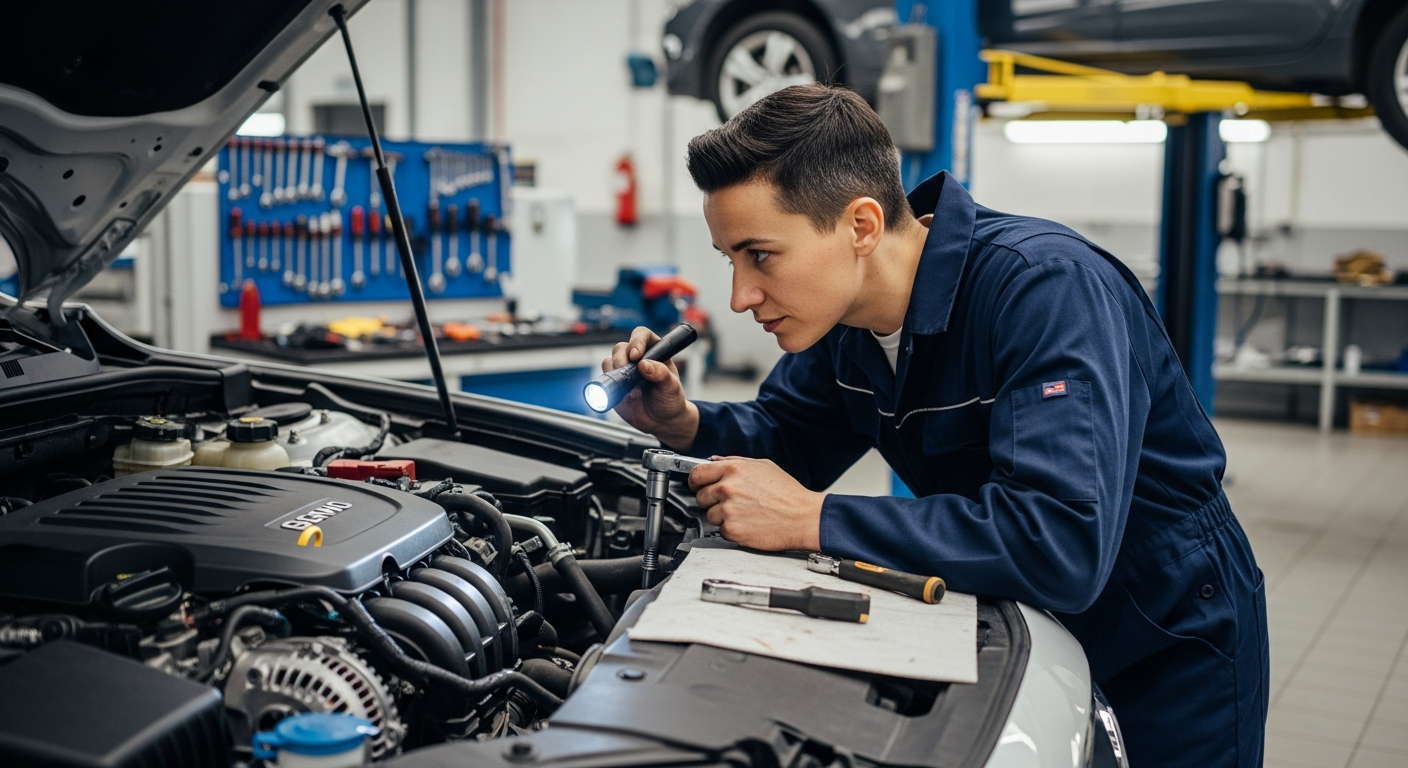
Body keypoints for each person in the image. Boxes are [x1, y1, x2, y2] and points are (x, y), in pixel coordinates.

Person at [602, 83, 1267, 767]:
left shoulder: (1045, 290)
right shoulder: (846, 322)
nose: (740, 297)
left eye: (760, 255)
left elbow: (1060, 537)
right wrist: (682, 423)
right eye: (730, 261)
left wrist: (815, 520)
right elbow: (789, 441)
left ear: (861, 226)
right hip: (1018, 620)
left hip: (1162, 638)